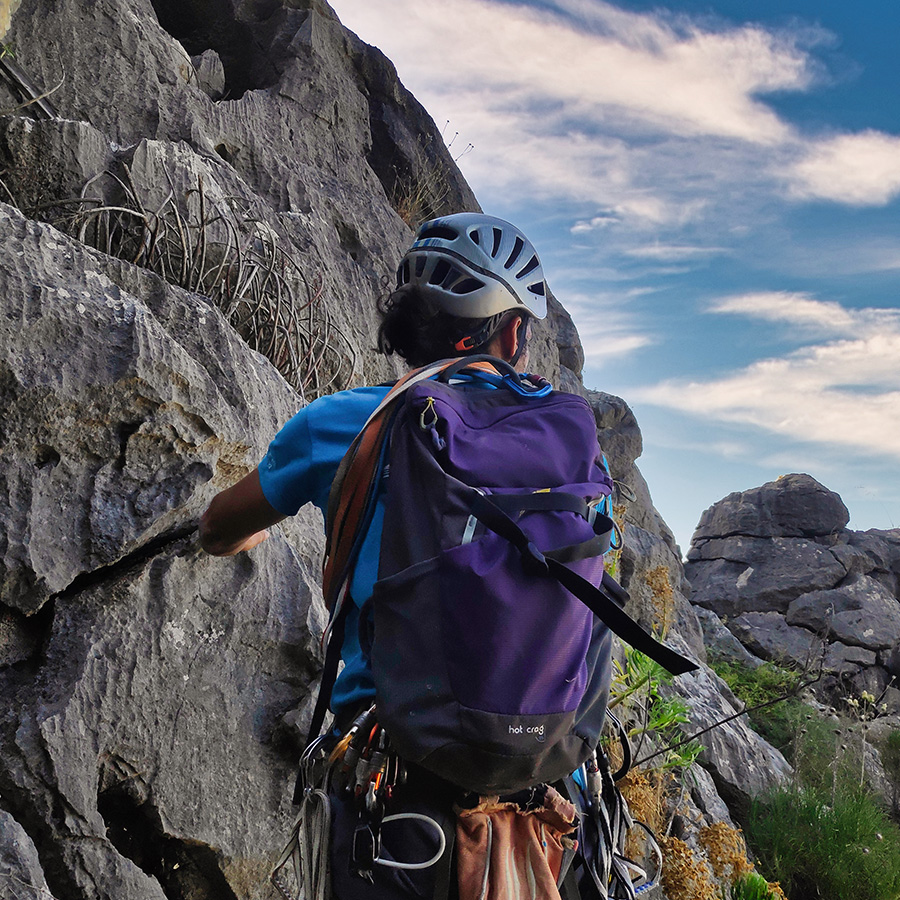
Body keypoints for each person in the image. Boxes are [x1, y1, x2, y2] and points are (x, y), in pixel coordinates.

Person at [199, 213, 546, 735]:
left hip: (392, 746)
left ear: (411, 325)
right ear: (514, 333)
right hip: (547, 754)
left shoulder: (341, 424)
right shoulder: (572, 451)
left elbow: (216, 528)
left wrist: (250, 537)